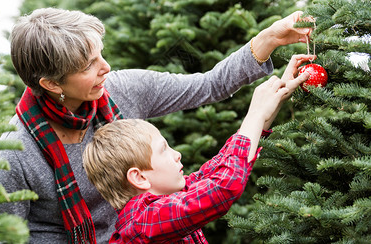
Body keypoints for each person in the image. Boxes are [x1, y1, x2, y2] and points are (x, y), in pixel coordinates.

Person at [0, 7, 313, 244]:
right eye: (89, 65)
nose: (107, 67)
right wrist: (254, 119)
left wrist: (269, 39)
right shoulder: (15, 154)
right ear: (52, 83)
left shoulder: (123, 89)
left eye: (101, 54)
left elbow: (209, 85)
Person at [83, 55, 313, 243]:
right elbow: (223, 187)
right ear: (139, 177)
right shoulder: (144, 222)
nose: (177, 154)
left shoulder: (168, 198)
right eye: (164, 150)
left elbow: (219, 168)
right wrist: (255, 113)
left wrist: (276, 96)